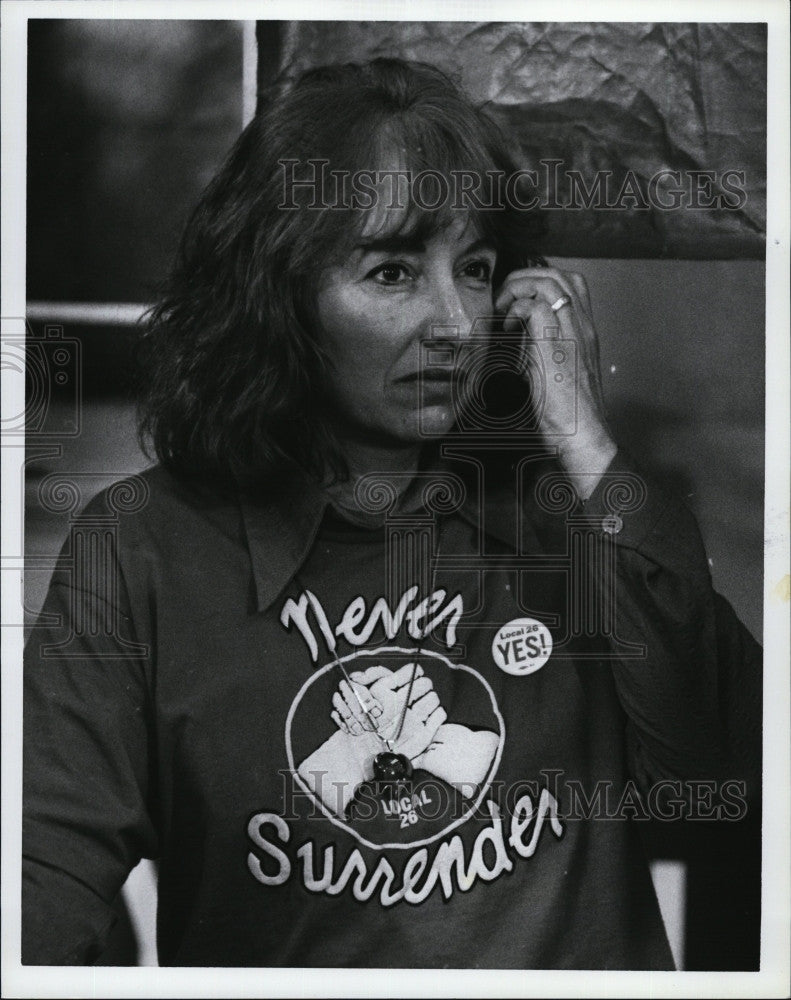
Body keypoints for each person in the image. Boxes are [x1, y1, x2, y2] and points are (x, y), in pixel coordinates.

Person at [23, 57, 761, 969]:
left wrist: (585, 448)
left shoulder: (566, 518)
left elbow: (727, 777)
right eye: (391, 272)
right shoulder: (141, 549)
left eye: (478, 269)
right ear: (278, 295)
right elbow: (41, 875)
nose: (455, 322)